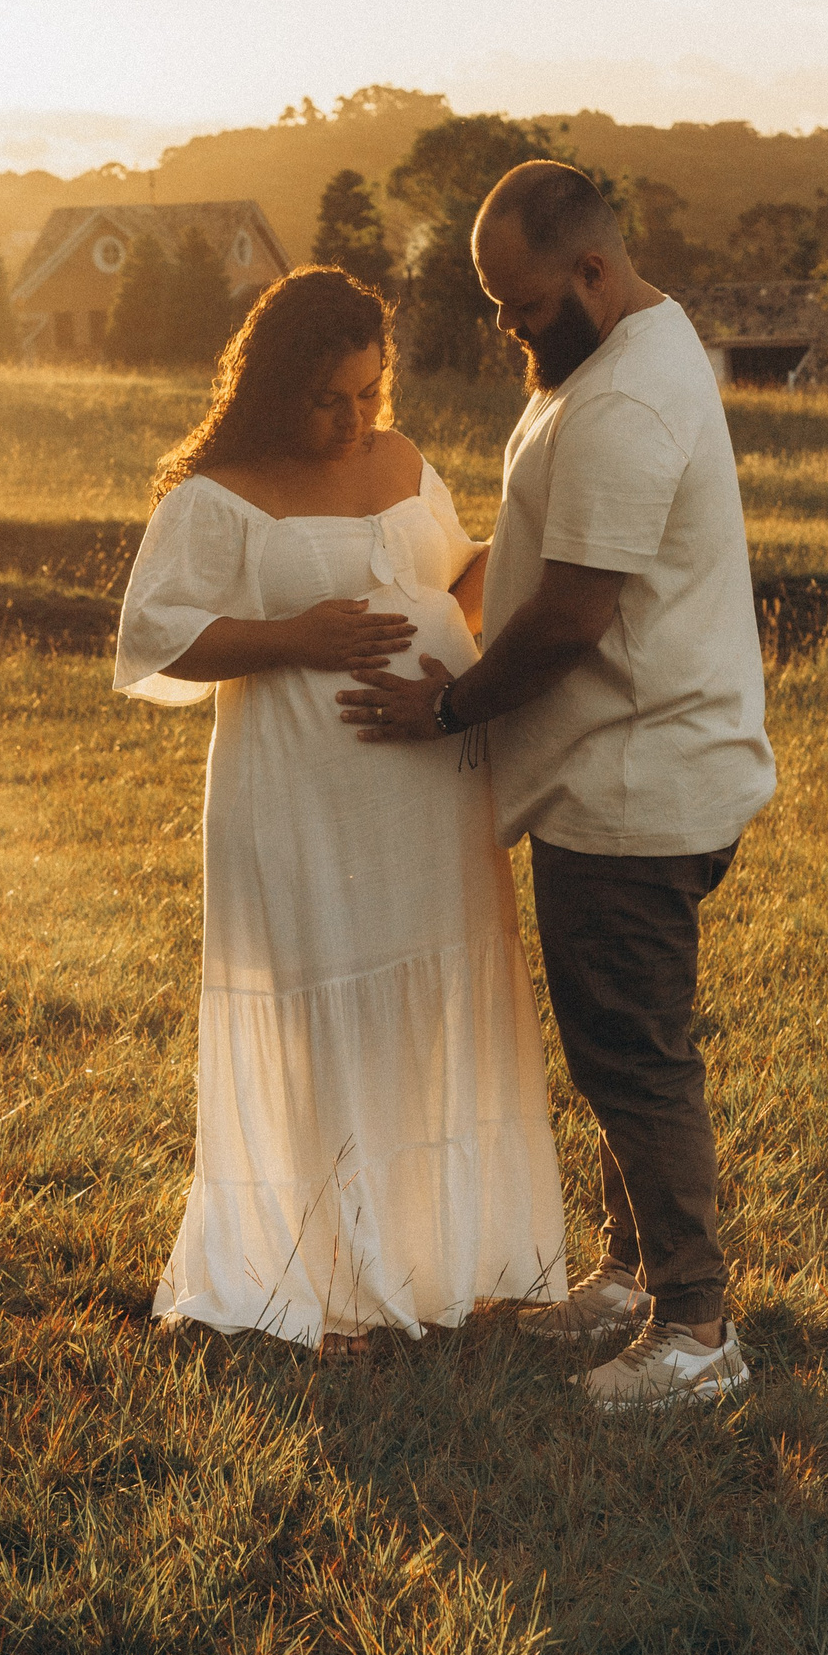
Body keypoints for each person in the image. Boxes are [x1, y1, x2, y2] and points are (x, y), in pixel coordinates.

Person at [337, 162, 776, 1409]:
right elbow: (545, 555)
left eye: (523, 304)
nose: (508, 327)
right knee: (614, 1045)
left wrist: (446, 706)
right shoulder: (615, 353)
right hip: (624, 766)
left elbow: (573, 615)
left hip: (634, 778)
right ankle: (634, 1276)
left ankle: (695, 1331)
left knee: (633, 1057)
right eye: (496, 304)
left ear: (591, 269)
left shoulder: (625, 399)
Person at [113, 266, 568, 1358]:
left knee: (433, 1008)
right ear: (273, 387)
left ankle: (441, 1256)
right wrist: (295, 638)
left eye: (368, 392)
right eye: (327, 399)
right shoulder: (214, 492)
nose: (354, 420)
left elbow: (453, 581)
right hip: (301, 791)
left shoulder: (402, 460)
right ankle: (320, 1273)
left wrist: (533, 544)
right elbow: (154, 636)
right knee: (323, 1011)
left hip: (430, 784)